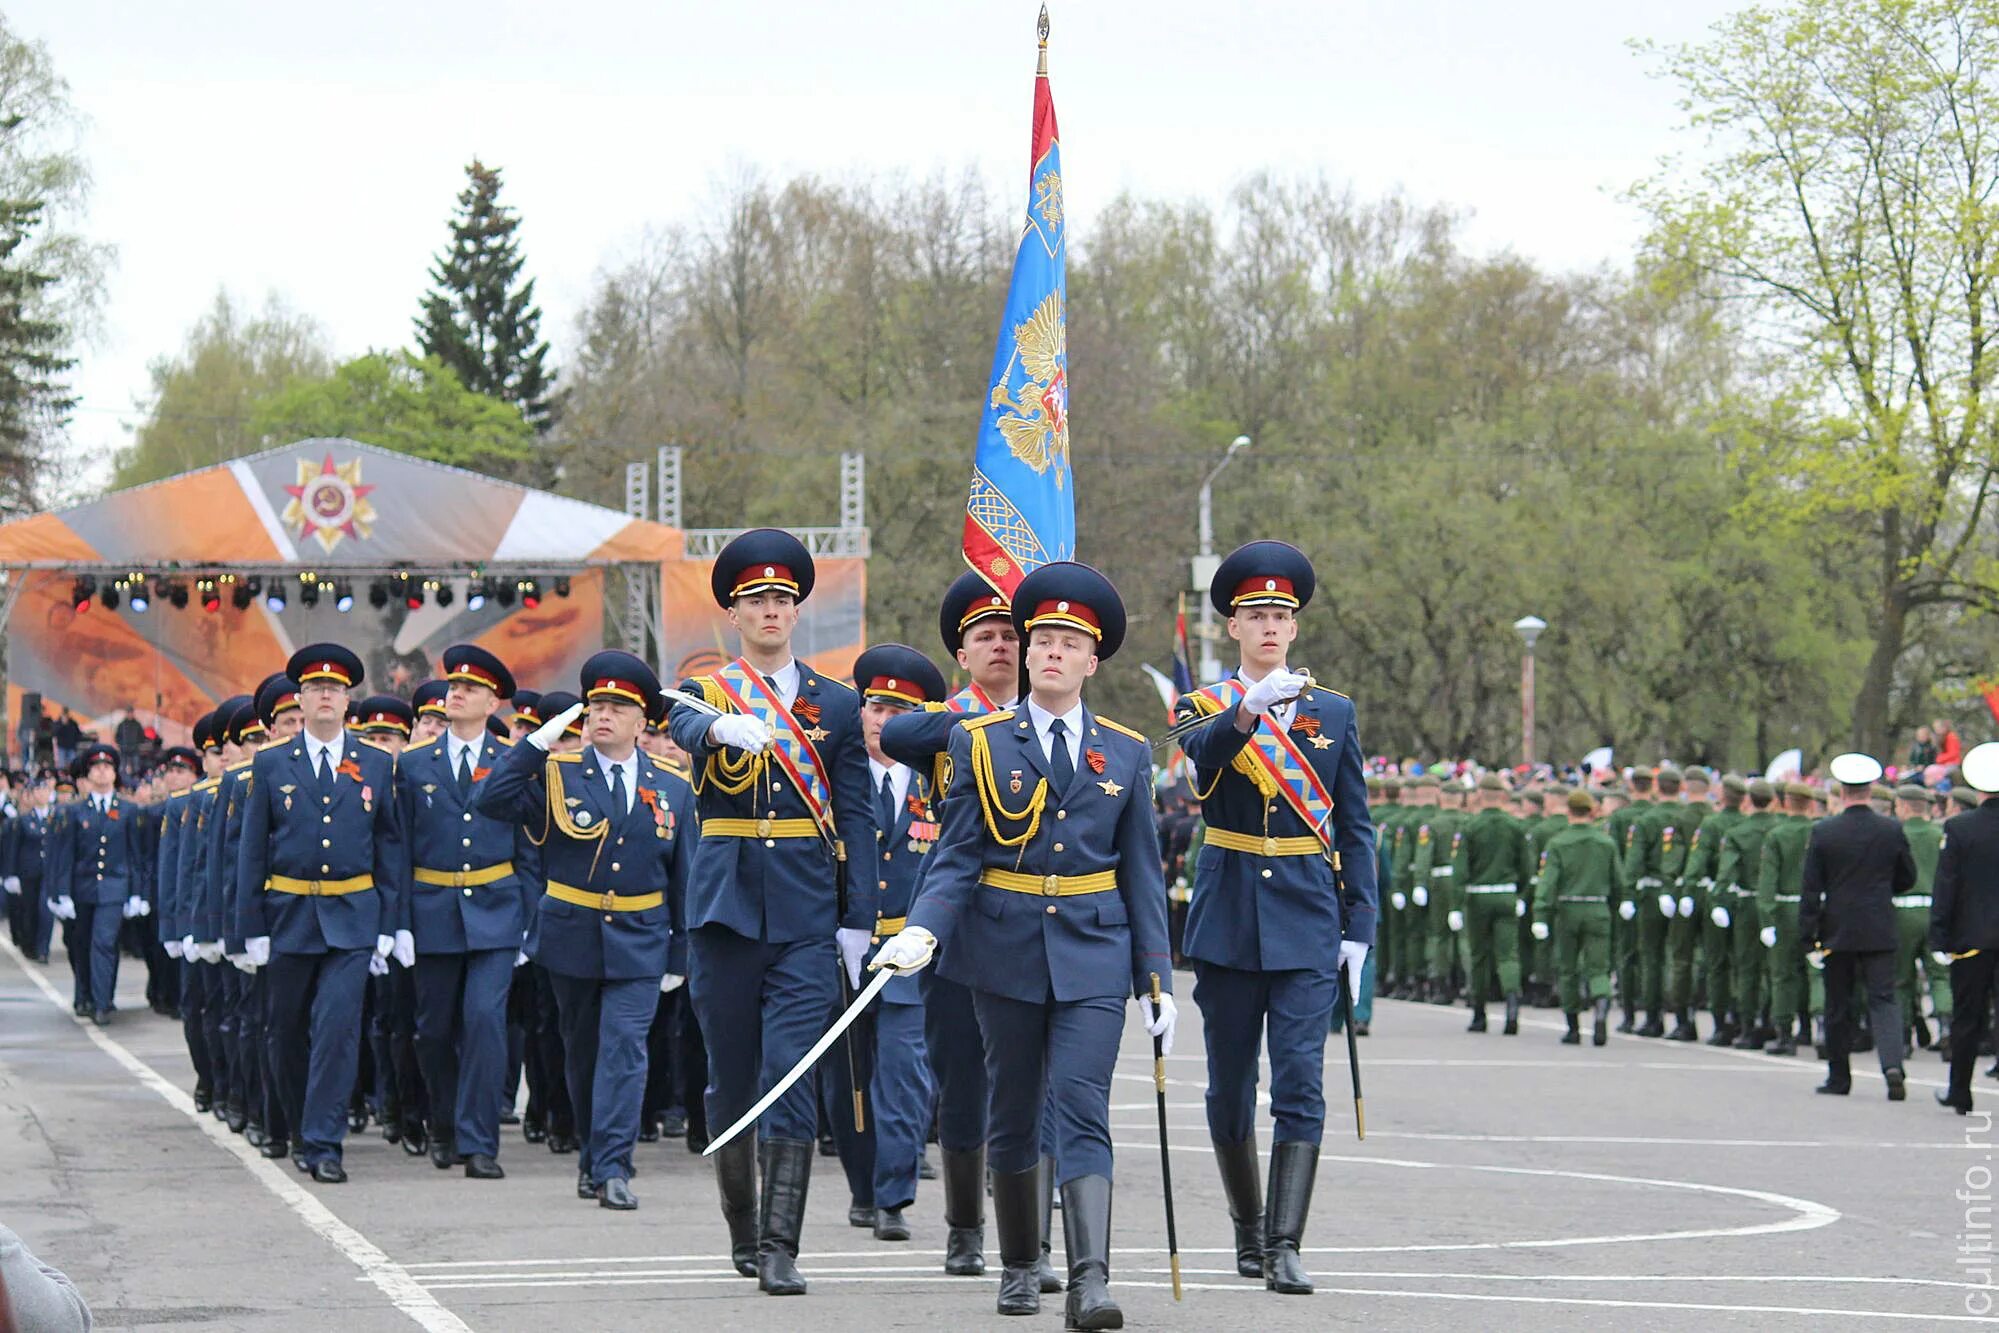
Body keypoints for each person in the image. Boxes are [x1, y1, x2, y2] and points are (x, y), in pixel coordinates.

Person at [875, 560, 1172, 1329]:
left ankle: (1090, 1280)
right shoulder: (978, 741)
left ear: (1090, 658)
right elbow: (957, 856)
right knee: (1010, 1109)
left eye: (1066, 641)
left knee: (1081, 1105)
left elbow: (1141, 871)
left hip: (1093, 952)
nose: (1048, 651)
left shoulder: (1127, 751)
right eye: (1040, 638)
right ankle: (1016, 1262)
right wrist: (921, 928)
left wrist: (1156, 975)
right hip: (1000, 947)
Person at [668, 529, 878, 1293]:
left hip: (803, 909)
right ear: (733, 612)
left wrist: (860, 917)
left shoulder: (837, 702)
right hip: (724, 908)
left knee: (790, 1074)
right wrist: (719, 725)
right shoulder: (706, 692)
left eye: (781, 599)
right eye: (755, 599)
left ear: (796, 611)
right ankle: (744, 1228)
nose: (769, 610)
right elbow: (682, 727)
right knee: (730, 1078)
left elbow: (854, 816)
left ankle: (781, 1244)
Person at [1169, 540, 1374, 1295]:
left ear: (1294, 627)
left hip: (1304, 914)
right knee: (1227, 1084)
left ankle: (1285, 1241)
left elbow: (1354, 825)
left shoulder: (1334, 711)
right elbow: (1200, 760)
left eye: (1279, 615)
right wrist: (1245, 714)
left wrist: (1361, 924)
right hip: (1227, 911)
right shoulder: (1203, 705)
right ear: (1232, 626)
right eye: (1254, 614)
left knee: (1299, 1081)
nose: (1267, 626)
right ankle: (1246, 1228)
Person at [479, 652, 689, 1210]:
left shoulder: (672, 783)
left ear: (642, 721)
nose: (604, 715)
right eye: (596, 705)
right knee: (583, 1053)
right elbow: (490, 801)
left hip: (643, 936)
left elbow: (684, 873)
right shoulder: (557, 771)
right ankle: (593, 1157)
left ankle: (615, 1165)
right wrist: (532, 747)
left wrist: (680, 954)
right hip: (572, 934)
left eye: (618, 707)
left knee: (625, 1050)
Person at [878, 570, 1039, 1283]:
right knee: (964, 1081)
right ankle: (965, 1228)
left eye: (1012, 634)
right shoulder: (946, 721)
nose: (1001, 645)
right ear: (962, 656)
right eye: (986, 637)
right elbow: (898, 730)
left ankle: (1024, 1239)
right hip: (959, 922)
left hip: (1036, 924)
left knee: (1034, 1084)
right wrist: (989, 721)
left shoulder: (1056, 721)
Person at [235, 644, 404, 1183]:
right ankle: (289, 1121)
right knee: (283, 1031)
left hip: (353, 916)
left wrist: (389, 925)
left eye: (334, 689)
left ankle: (324, 1141)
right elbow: (251, 850)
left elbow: (390, 848)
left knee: (337, 1029)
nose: (325, 696)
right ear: (301, 701)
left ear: (347, 700)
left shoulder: (376, 763)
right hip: (288, 914)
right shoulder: (270, 762)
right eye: (314, 689)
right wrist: (250, 927)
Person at [395, 644, 534, 1181]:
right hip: (432, 910)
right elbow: (401, 846)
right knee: (432, 1029)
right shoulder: (412, 764)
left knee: (484, 1022)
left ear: (493, 702)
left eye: (471, 689)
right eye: (454, 685)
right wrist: (400, 922)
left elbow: (528, 847)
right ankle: (443, 1124)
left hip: (497, 911)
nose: (456, 693)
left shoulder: (510, 763)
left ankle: (479, 1142)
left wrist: (527, 919)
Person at [1800, 752, 1915, 1100]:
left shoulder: (1824, 831)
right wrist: (1881, 892)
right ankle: (1892, 1065)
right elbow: (1907, 877)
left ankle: (1839, 1076)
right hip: (1879, 923)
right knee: (1884, 999)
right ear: (1870, 788)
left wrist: (1807, 937)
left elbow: (1811, 888)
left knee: (1839, 1003)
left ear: (1841, 790)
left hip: (1838, 927)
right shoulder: (1891, 829)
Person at [44, 742, 146, 1025]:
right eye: (96, 767)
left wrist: (137, 893)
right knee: (81, 944)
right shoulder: (76, 811)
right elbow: (66, 855)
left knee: (104, 943)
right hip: (82, 889)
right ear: (88, 775)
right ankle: (83, 996)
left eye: (107, 767)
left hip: (114, 888)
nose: (102, 772)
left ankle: (102, 1002)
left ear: (115, 773)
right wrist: (61, 893)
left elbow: (135, 856)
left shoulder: (128, 810)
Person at [1930, 742, 1999, 1113]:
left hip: (1971, 937)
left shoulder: (1959, 828)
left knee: (1967, 1018)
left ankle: (1960, 1090)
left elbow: (1947, 886)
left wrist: (1938, 935)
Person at [1530, 786, 1619, 1045]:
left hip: (1568, 909)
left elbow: (1548, 883)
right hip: (1598, 907)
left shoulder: (1558, 843)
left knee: (1568, 969)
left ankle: (1573, 1027)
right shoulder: (1606, 842)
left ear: (1569, 812)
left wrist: (1541, 913)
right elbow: (1618, 882)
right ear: (1592, 811)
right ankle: (1601, 1008)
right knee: (1598, 967)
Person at [1449, 772, 1528, 1035]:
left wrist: (1455, 903)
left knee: (1479, 956)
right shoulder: (1515, 826)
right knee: (1508, 955)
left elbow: (1460, 870)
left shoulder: (1471, 826)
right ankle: (1512, 1007)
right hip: (1506, 894)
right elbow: (1526, 868)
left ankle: (1479, 1014)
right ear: (1503, 796)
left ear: (1480, 795)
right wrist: (1521, 895)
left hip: (1478, 896)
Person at [1714, 779, 1782, 1051]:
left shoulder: (1738, 832)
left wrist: (1719, 898)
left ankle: (1747, 1026)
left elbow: (1727, 870)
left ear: (1747, 802)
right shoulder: (1780, 829)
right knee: (1775, 969)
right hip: (1777, 904)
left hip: (1746, 905)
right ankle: (1770, 1020)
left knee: (1747, 969)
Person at [1893, 784, 1950, 1057]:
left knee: (1901, 978)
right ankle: (1947, 1028)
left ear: (1904, 806)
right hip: (1935, 909)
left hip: (1902, 911)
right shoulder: (1940, 834)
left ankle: (1904, 1038)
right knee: (1940, 975)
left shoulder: (1897, 833)